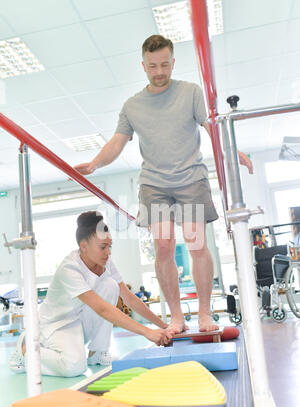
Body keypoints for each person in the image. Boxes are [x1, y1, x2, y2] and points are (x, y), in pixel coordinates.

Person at [74, 35, 253, 335]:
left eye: (165, 64)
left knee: (196, 243)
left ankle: (205, 313)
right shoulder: (132, 106)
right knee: (164, 247)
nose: (159, 72)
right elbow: (117, 143)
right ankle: (176, 317)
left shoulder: (190, 92)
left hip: (190, 177)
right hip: (155, 184)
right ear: (143, 65)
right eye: (153, 66)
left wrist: (233, 151)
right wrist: (93, 164)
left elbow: (212, 129)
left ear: (173, 62)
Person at [9, 211, 172, 377]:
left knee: (110, 285)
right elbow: (103, 309)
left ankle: (97, 352)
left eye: (110, 246)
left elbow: (129, 298)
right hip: (55, 324)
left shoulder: (106, 263)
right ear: (84, 246)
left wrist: (164, 325)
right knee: (74, 368)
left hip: (79, 319)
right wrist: (147, 332)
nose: (108, 252)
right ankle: (26, 350)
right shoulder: (70, 268)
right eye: (103, 247)